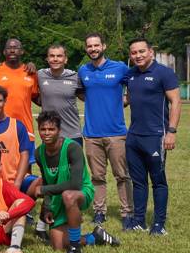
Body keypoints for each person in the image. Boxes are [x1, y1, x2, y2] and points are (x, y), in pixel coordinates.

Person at [34, 111, 120, 253]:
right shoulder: (38, 153)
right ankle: (95, 237)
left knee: (69, 195)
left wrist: (43, 190)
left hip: (80, 191)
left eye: (51, 129)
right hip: (58, 196)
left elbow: (75, 184)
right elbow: (47, 180)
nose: (47, 133)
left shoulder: (72, 148)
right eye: (43, 129)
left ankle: (75, 250)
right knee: (58, 245)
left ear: (59, 131)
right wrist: (47, 206)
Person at [125, 39, 180, 235]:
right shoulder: (130, 74)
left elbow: (175, 102)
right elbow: (128, 99)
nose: (138, 55)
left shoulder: (164, 73)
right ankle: (139, 221)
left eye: (141, 51)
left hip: (156, 136)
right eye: (133, 53)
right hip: (133, 137)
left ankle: (159, 224)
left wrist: (171, 132)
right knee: (138, 181)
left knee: (158, 181)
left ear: (151, 52)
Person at [78, 33, 133, 227]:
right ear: (86, 49)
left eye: (96, 45)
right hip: (92, 134)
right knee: (97, 177)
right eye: (89, 46)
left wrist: (124, 101)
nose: (93, 49)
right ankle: (99, 212)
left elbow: (134, 86)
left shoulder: (120, 68)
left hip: (116, 133)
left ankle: (127, 214)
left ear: (104, 46)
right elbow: (80, 92)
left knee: (122, 175)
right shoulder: (83, 70)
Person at [0, 38, 39, 144]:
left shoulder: (31, 73)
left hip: (25, 129)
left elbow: (36, 97)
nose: (12, 50)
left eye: (15, 48)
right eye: (9, 48)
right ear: (4, 52)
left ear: (22, 51)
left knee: (26, 160)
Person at [37, 44, 83, 144]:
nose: (55, 59)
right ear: (47, 59)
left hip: (72, 134)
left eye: (59, 56)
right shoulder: (39, 75)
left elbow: (84, 96)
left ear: (65, 59)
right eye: (52, 56)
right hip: (49, 134)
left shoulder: (75, 77)